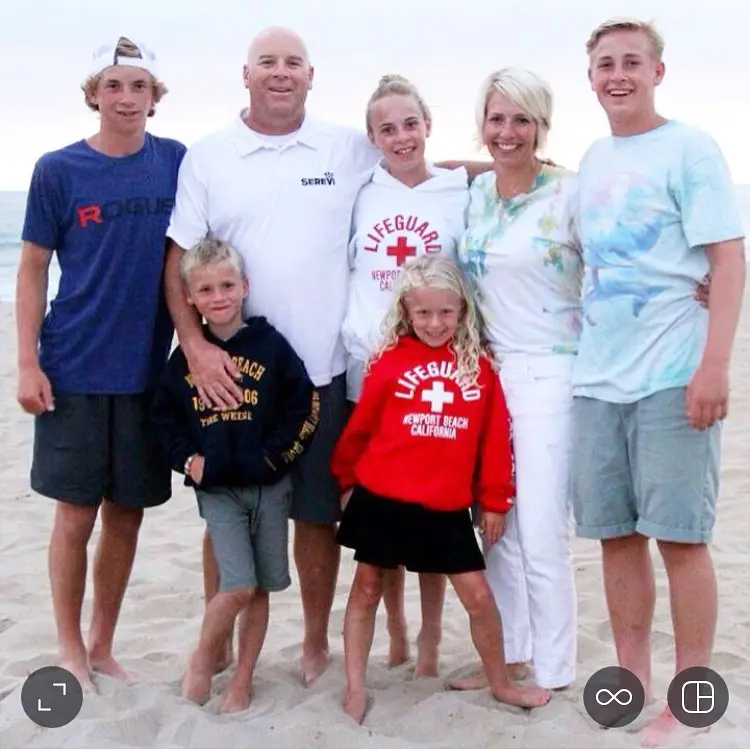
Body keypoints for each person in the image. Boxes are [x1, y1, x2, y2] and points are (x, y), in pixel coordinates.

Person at [162, 25, 491, 685]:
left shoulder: (346, 146)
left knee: (316, 513)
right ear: (245, 74)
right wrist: (194, 345)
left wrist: (523, 168)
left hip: (323, 369)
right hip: (238, 373)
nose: (280, 73)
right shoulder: (208, 156)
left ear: (311, 76)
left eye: (293, 63)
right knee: (227, 500)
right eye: (267, 63)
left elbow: (416, 164)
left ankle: (315, 645)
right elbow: (179, 258)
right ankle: (218, 641)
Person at [571, 17, 746, 746]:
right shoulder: (591, 157)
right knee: (615, 538)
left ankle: (691, 695)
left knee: (679, 540)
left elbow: (728, 260)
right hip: (596, 381)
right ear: (591, 77)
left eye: (632, 63)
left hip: (674, 379)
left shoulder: (691, 148)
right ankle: (634, 679)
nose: (619, 75)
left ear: (657, 72)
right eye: (606, 64)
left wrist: (714, 366)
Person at [15, 36, 186, 691]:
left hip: (147, 373)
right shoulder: (58, 170)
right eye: (112, 85)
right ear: (94, 94)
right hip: (74, 366)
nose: (125, 97)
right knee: (76, 516)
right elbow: (32, 268)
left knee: (127, 513)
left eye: (137, 86)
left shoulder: (174, 162)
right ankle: (68, 648)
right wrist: (26, 363)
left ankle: (104, 643)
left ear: (154, 96)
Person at [331, 255, 552, 723]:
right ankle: (354, 687)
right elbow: (361, 428)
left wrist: (494, 500)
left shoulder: (479, 369)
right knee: (367, 587)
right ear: (407, 312)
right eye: (424, 313)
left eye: (446, 313)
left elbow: (494, 441)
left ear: (462, 310)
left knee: (477, 596)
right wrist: (345, 479)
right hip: (383, 496)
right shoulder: (388, 362)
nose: (435, 323)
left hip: (445, 503)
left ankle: (500, 682)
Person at [449, 67, 581, 693]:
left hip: (550, 371)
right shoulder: (475, 196)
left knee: (541, 526)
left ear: (542, 126)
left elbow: (627, 255)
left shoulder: (570, 195)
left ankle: (554, 669)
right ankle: (511, 655)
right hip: (487, 372)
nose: (508, 132)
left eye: (521, 119)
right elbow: (434, 169)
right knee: (493, 521)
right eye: (497, 119)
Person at [151, 238, 320, 713]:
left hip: (270, 486)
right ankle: (202, 660)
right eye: (205, 289)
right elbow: (164, 421)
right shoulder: (186, 358)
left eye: (227, 285)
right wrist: (188, 461)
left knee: (261, 588)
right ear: (189, 297)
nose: (219, 296)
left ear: (245, 286)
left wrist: (275, 459)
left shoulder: (271, 347)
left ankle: (243, 677)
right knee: (237, 585)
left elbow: (303, 405)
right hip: (218, 490)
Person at [341, 73, 471, 675]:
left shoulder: (457, 190)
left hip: (434, 378)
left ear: (427, 126)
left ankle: (430, 639)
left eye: (410, 124)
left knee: (435, 510)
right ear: (372, 138)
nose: (400, 137)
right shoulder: (359, 191)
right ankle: (393, 630)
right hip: (368, 373)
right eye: (386, 128)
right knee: (381, 520)